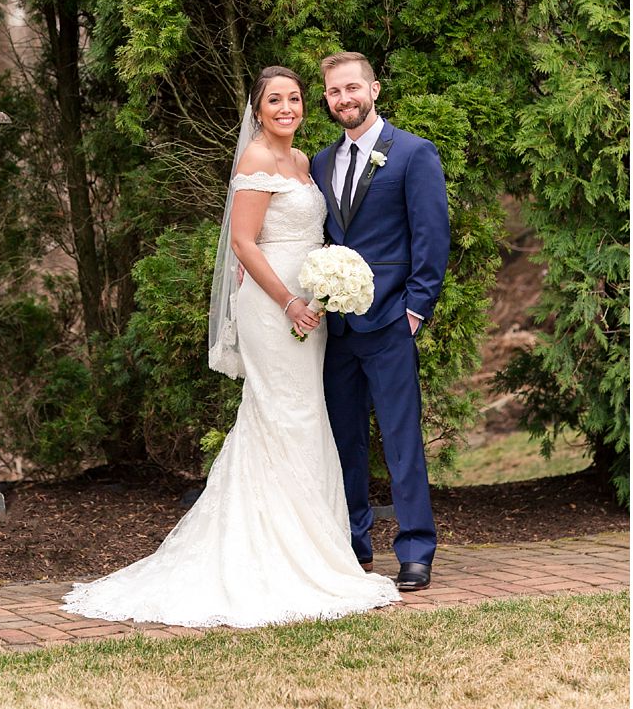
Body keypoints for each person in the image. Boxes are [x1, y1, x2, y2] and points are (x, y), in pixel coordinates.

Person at [63, 66, 400, 626]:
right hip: (275, 309)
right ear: (257, 109)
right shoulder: (258, 160)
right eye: (275, 100)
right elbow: (244, 242)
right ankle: (277, 556)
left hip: (308, 306)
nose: (287, 108)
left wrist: (322, 289)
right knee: (284, 414)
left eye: (294, 98)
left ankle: (312, 549)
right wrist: (289, 301)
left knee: (300, 416)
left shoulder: (302, 162)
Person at [313, 50, 449, 592]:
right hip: (336, 331)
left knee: (400, 439)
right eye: (333, 92)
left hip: (391, 320)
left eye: (352, 88)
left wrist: (414, 309)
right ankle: (354, 544)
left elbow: (431, 236)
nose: (343, 99)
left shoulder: (413, 154)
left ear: (374, 90)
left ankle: (416, 549)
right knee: (344, 441)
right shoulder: (321, 163)